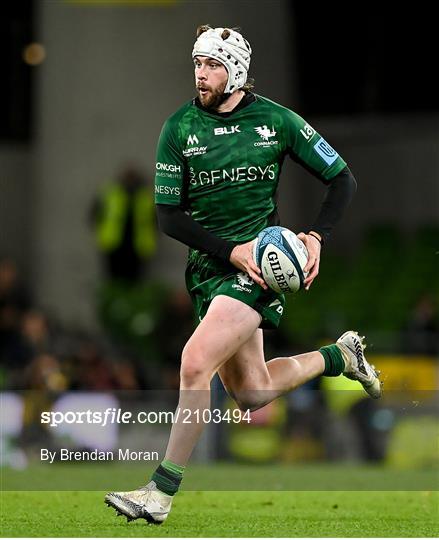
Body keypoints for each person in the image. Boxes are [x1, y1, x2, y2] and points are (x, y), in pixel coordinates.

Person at [105, 24, 381, 524]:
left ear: (236, 73)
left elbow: (342, 179)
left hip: (256, 269)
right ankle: (340, 356)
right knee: (251, 392)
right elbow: (169, 218)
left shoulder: (277, 121)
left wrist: (314, 235)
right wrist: (226, 251)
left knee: (194, 362)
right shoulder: (178, 128)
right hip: (210, 266)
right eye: (197, 64)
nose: (201, 75)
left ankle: (160, 493)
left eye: (212, 65)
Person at [89, 165, 156, 282]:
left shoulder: (146, 196)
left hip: (139, 246)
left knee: (136, 280)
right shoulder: (109, 193)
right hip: (113, 243)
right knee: (112, 278)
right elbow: (94, 214)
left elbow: (157, 220)